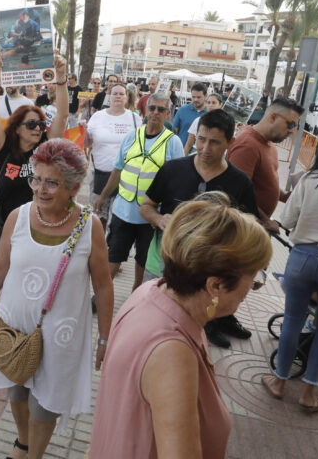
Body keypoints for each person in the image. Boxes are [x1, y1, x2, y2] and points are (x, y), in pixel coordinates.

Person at [89, 196, 271, 459]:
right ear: (215, 286)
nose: (254, 285)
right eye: (253, 276)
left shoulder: (153, 291)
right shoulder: (172, 353)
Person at [0, 139, 114, 459]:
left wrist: (105, 338)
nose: (40, 189)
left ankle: (33, 455)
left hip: (61, 336)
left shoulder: (91, 227)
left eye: (52, 183)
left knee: (45, 405)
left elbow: (103, 286)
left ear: (74, 188)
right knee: (17, 391)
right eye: (36, 179)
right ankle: (23, 441)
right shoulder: (17, 218)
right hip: (14, 329)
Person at [140, 109, 259, 349]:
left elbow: (249, 231)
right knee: (153, 322)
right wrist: (160, 220)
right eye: (201, 139)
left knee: (191, 331)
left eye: (214, 142)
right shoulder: (173, 169)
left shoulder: (240, 182)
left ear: (230, 143)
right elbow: (146, 207)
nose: (205, 148)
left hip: (208, 274)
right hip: (163, 264)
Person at [262, 129, 318, 413]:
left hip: (302, 256)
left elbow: (287, 218)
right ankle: (309, 392)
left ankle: (279, 383)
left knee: (291, 320)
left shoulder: (310, 179)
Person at [95, 92, 184, 289]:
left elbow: (178, 181)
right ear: (145, 110)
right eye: (152, 108)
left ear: (167, 113)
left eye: (161, 110)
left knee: (143, 262)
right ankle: (101, 296)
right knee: (114, 255)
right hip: (122, 212)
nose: (155, 113)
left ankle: (136, 295)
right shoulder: (131, 136)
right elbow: (117, 169)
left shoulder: (173, 142)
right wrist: (103, 197)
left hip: (151, 218)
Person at [0, 51, 68, 222]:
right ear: (17, 128)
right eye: (31, 124)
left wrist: (61, 76)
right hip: (6, 226)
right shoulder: (4, 147)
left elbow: (63, 115)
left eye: (41, 125)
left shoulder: (45, 145)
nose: (37, 129)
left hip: (39, 224)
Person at [226, 96, 304, 233]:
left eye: (295, 126)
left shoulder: (268, 143)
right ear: (273, 117)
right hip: (244, 231)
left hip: (255, 229)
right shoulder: (247, 146)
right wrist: (266, 221)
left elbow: (264, 182)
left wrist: (286, 196)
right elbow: (237, 194)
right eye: (291, 124)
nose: (292, 131)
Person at [86, 83, 140, 227]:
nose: (118, 96)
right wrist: (82, 131)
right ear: (109, 97)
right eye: (115, 93)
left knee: (118, 218)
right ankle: (98, 245)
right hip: (100, 173)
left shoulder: (135, 119)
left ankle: (112, 247)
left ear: (127, 97)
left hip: (126, 176)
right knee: (98, 217)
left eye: (121, 94)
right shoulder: (97, 116)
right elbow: (87, 143)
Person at [172, 82, 207, 147]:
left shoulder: (209, 114)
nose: (195, 99)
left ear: (205, 96)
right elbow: (174, 132)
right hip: (181, 151)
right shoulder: (182, 110)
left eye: (199, 97)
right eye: (193, 97)